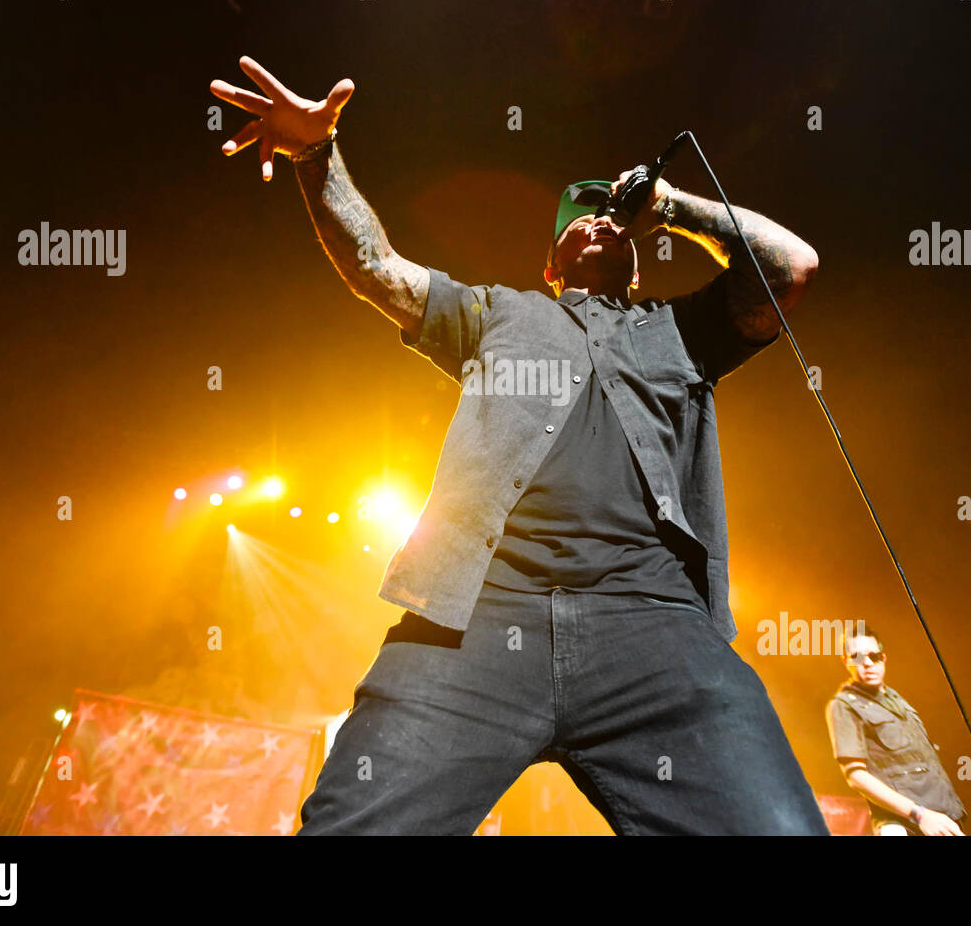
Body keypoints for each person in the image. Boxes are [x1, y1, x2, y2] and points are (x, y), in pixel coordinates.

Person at [210, 57, 826, 834]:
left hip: (654, 623)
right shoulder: (497, 313)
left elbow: (791, 268)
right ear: (550, 263)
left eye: (613, 215)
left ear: (638, 259)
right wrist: (315, 156)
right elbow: (375, 268)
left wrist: (670, 206)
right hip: (475, 613)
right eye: (579, 216)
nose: (600, 218)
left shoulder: (680, 330)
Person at [825, 627, 967, 835]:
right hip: (905, 825)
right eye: (857, 657)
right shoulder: (845, 706)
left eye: (874, 656)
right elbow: (856, 776)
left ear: (883, 659)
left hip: (943, 818)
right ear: (846, 661)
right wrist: (919, 815)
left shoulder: (898, 701)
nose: (867, 663)